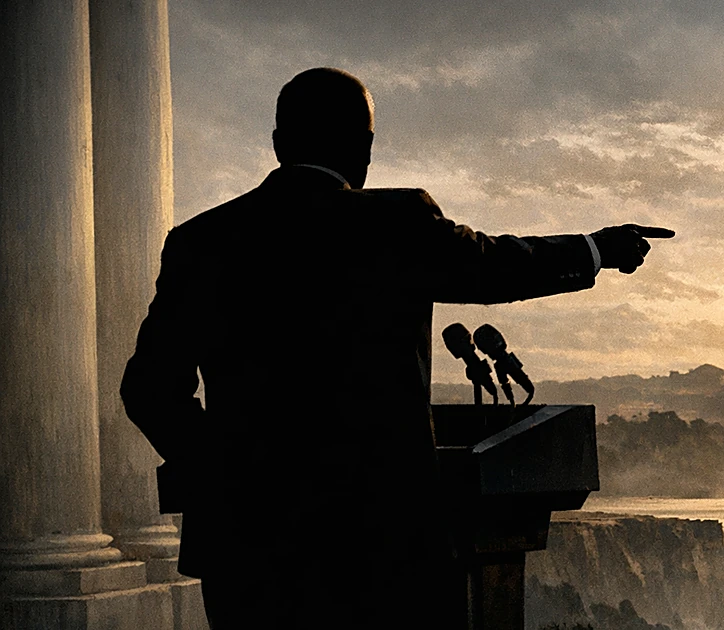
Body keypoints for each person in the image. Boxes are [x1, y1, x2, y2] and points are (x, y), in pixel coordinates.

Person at [120, 67, 672, 628]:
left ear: (279, 142)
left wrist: (229, 471)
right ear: (364, 148)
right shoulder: (394, 223)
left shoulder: (200, 242)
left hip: (247, 551)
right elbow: (497, 266)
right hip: (382, 545)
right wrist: (597, 248)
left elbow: (147, 389)